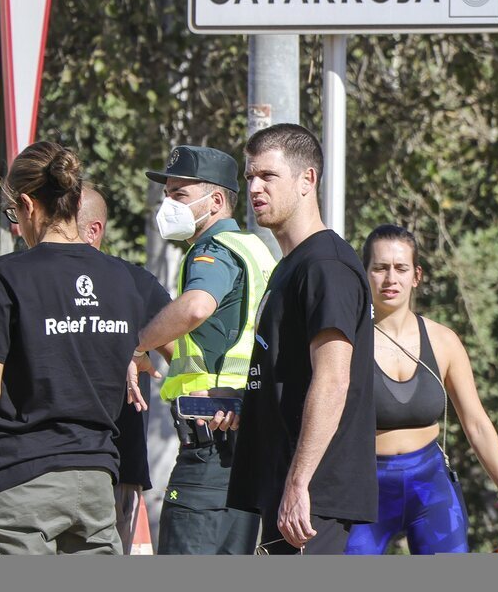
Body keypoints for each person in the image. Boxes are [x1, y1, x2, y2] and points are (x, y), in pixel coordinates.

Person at [0, 140, 155, 555]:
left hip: (17, 479)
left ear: (27, 205)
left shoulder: (7, 275)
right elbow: (152, 354)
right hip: (96, 477)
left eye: (14, 214)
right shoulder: (123, 279)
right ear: (75, 198)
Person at [220, 123, 378, 555]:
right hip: (286, 482)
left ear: (307, 180)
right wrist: (244, 401)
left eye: (268, 176)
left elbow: (333, 379)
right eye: (250, 176)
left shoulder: (325, 265)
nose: (254, 187)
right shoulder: (291, 264)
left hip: (312, 494)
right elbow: (288, 374)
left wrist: (299, 481)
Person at [344, 225, 498, 554]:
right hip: (364, 486)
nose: (390, 279)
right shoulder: (345, 343)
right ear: (365, 273)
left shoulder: (444, 342)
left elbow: (477, 423)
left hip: (429, 484)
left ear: (416, 276)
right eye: (380, 268)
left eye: (400, 269)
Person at [134, 145, 277, 554]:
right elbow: (220, 336)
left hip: (209, 442)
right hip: (245, 443)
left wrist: (136, 343)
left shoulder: (213, 250)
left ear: (215, 201)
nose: (168, 205)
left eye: (179, 195)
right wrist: (162, 346)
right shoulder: (254, 250)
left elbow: (197, 307)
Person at [76, 185, 173, 553]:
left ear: (94, 230)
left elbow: (180, 354)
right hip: (44, 470)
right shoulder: (29, 279)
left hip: (118, 470)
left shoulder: (135, 283)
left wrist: (135, 350)